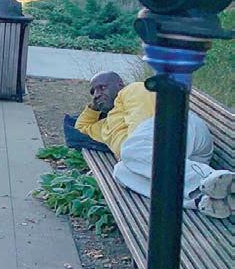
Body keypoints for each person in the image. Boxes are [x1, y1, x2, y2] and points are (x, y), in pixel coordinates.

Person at [75, 72, 233, 219]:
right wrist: (94, 107)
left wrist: (131, 154)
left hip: (180, 127)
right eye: (93, 92)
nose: (97, 94)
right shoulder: (104, 126)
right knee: (121, 171)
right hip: (177, 161)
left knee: (129, 151)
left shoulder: (132, 90)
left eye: (102, 87)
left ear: (120, 84)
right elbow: (81, 126)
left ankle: (220, 181)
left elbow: (142, 122)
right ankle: (203, 199)